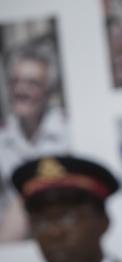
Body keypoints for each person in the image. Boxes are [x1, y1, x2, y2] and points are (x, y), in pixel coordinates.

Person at [0, 46, 69, 242]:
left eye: (32, 83)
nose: (21, 90)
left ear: (49, 90)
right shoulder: (3, 138)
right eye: (15, 82)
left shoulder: (68, 131)